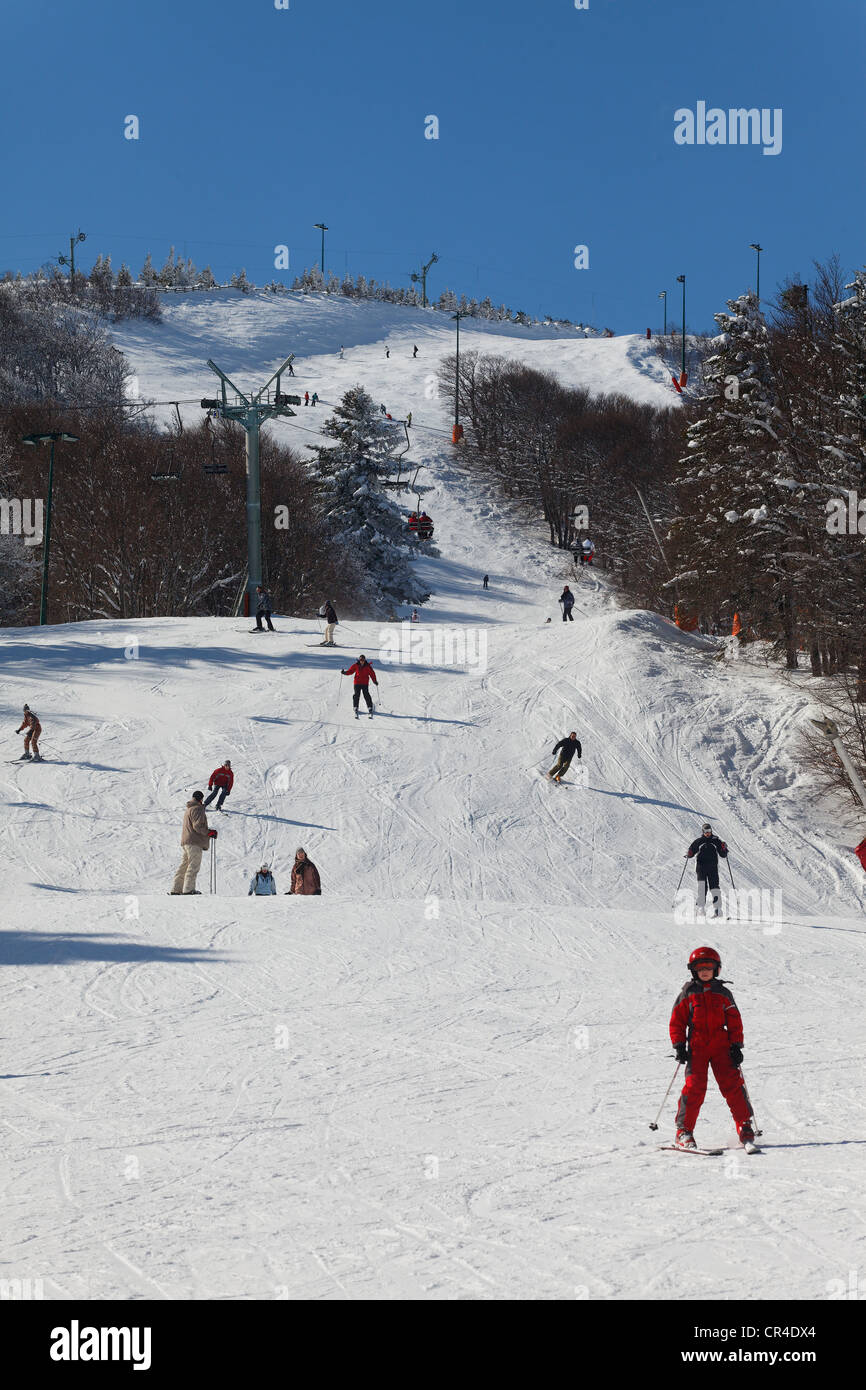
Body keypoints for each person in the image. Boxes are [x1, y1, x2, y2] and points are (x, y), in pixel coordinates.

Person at [669, 946, 755, 1150]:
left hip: (721, 1045)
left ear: (716, 969)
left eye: (709, 967)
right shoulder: (688, 993)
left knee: (732, 1085)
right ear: (693, 970)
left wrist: (736, 1046)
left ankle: (744, 1126)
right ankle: (684, 1131)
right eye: (700, 968)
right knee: (695, 1087)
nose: (705, 971)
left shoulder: (723, 993)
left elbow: (735, 1020)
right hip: (697, 1046)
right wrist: (679, 1045)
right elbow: (677, 1021)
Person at [170, 791, 215, 895]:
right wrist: (209, 832)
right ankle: (188, 890)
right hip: (194, 842)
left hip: (186, 841)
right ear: (201, 799)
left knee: (184, 865)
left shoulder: (189, 809)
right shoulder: (198, 809)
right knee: (193, 866)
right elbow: (198, 826)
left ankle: (176, 889)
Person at [685, 823, 728, 918]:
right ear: (703, 832)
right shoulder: (699, 841)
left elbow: (723, 855)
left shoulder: (716, 841)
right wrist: (689, 853)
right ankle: (701, 909)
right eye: (706, 832)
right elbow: (691, 852)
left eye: (709, 831)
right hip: (701, 867)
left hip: (712, 867)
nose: (708, 833)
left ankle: (718, 910)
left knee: (714, 887)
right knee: (702, 887)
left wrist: (724, 849)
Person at [341, 654, 378, 718]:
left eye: (363, 660)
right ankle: (355, 707)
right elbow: (350, 671)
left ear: (365, 660)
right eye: (361, 660)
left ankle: (370, 707)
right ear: (359, 660)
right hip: (357, 683)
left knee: (366, 695)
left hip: (364, 683)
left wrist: (374, 681)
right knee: (356, 695)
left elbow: (372, 674)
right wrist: (345, 672)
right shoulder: (356, 665)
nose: (362, 661)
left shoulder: (368, 666)